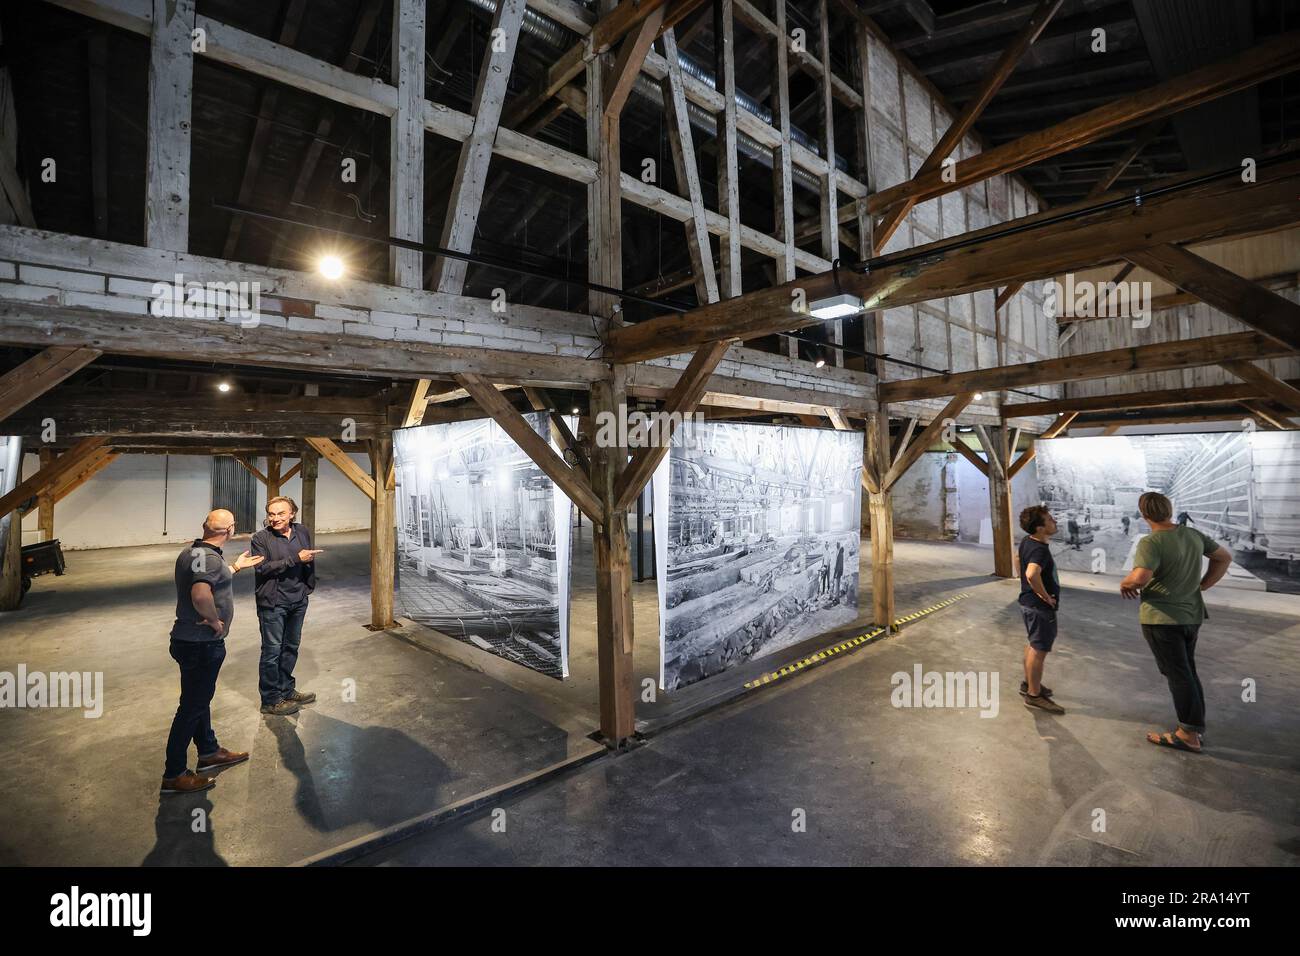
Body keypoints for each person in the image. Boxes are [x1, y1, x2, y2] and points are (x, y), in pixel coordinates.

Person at [1120, 491, 1232, 754]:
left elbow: (1140, 578)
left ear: (1144, 514)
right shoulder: (1192, 535)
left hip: (1162, 619)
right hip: (1191, 616)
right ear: (1169, 510)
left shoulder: (1152, 542)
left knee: (1178, 675)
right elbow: (1223, 557)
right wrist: (1204, 584)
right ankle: (1194, 727)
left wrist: (1126, 583)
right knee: (1187, 671)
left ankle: (1188, 734)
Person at [162, 509, 263, 794]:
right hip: (201, 644)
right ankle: (174, 773)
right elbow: (200, 593)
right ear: (230, 530)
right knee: (191, 707)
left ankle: (208, 751)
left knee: (197, 700)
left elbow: (207, 577)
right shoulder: (209, 559)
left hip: (186, 641)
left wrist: (235, 567)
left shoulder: (193, 553)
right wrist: (214, 620)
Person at [250, 496, 323, 716]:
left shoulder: (302, 531)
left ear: (292, 514)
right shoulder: (260, 538)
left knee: (291, 647)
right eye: (271, 514)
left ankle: (286, 689)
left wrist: (307, 586)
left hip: (298, 600)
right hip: (274, 603)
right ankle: (270, 700)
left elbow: (307, 559)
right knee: (272, 651)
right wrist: (295, 559)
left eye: (281, 513)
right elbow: (262, 568)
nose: (275, 518)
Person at [1017, 505, 1065, 715]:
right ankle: (1034, 696)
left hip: (1028, 603)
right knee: (1039, 649)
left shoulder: (1028, 542)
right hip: (1039, 607)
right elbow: (1031, 573)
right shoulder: (1039, 550)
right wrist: (1045, 596)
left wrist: (1027, 588)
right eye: (1049, 520)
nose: (1054, 521)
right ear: (1039, 528)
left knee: (1033, 644)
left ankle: (1029, 684)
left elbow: (1018, 560)